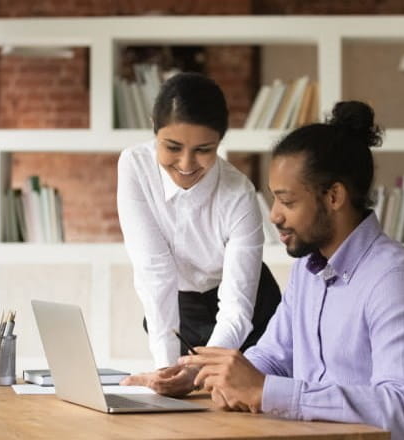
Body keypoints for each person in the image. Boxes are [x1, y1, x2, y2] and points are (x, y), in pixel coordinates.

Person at [180, 101, 404, 440]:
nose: (275, 215)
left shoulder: (394, 281)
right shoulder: (308, 272)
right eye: (274, 200)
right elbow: (273, 358)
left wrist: (268, 391)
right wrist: (209, 376)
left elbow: (401, 409)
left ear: (334, 196)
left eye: (288, 201)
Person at [117, 72, 282, 396]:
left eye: (204, 149)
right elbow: (155, 272)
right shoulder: (134, 167)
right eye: (172, 147)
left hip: (251, 310)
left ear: (221, 141)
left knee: (239, 404)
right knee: (185, 404)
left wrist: (201, 369)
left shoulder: (239, 195)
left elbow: (236, 307)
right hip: (183, 305)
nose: (186, 163)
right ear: (154, 128)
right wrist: (166, 371)